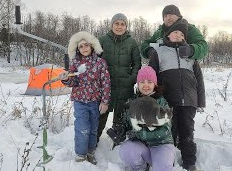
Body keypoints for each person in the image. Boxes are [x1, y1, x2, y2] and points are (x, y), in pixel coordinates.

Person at [148, 20, 205, 171]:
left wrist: (200, 101)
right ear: (168, 34)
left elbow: (199, 78)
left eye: (181, 34)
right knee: (169, 130)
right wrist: (151, 97)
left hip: (189, 100)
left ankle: (189, 162)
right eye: (175, 32)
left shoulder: (191, 55)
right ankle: (168, 160)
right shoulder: (159, 52)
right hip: (167, 100)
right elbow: (150, 75)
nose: (178, 35)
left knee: (187, 131)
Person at [59, 31, 111, 165]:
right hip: (80, 101)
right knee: (82, 128)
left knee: (93, 128)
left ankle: (90, 151)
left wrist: (105, 101)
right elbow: (73, 82)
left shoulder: (100, 62)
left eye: (86, 45)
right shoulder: (75, 63)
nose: (84, 48)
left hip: (95, 102)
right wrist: (66, 79)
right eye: (81, 46)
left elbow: (105, 82)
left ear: (92, 46)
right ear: (77, 48)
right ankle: (81, 154)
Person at [119, 66, 175, 171]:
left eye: (149, 82)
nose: (145, 85)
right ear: (138, 84)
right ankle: (142, 167)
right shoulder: (133, 102)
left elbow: (165, 131)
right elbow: (128, 122)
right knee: (127, 150)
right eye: (142, 82)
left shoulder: (161, 102)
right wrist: (121, 129)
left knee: (162, 167)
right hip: (142, 147)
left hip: (161, 145)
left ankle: (165, 160)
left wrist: (139, 133)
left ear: (155, 84)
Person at [97, 13, 141, 142]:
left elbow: (137, 63)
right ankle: (94, 141)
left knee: (120, 117)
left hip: (125, 87)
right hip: (106, 87)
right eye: (116, 23)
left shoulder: (132, 42)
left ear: (126, 26)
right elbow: (94, 61)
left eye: (122, 24)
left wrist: (132, 78)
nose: (119, 27)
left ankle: (117, 142)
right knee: (101, 116)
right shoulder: (102, 40)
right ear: (111, 25)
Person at [140, 4, 208, 60]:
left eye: (170, 15)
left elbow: (204, 47)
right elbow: (145, 44)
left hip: (185, 72)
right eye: (165, 16)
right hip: (163, 73)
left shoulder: (190, 29)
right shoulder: (160, 32)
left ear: (178, 16)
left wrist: (191, 50)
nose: (168, 18)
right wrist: (149, 51)